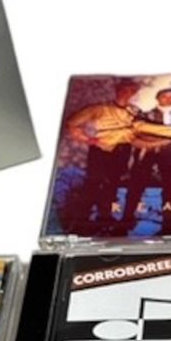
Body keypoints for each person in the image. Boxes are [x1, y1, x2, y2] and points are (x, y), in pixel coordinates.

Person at [62, 79, 143, 234]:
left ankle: (105, 218)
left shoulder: (135, 111)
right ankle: (81, 221)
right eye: (125, 90)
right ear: (118, 90)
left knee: (112, 185)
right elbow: (72, 122)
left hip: (122, 151)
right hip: (101, 150)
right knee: (93, 184)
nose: (128, 94)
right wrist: (88, 139)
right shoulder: (100, 108)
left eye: (132, 91)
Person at [127, 88, 171, 229]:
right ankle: (127, 216)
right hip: (148, 150)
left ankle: (168, 220)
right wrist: (167, 136)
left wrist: (153, 130)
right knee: (137, 183)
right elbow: (138, 130)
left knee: (170, 186)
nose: (168, 99)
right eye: (164, 96)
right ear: (157, 98)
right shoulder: (146, 114)